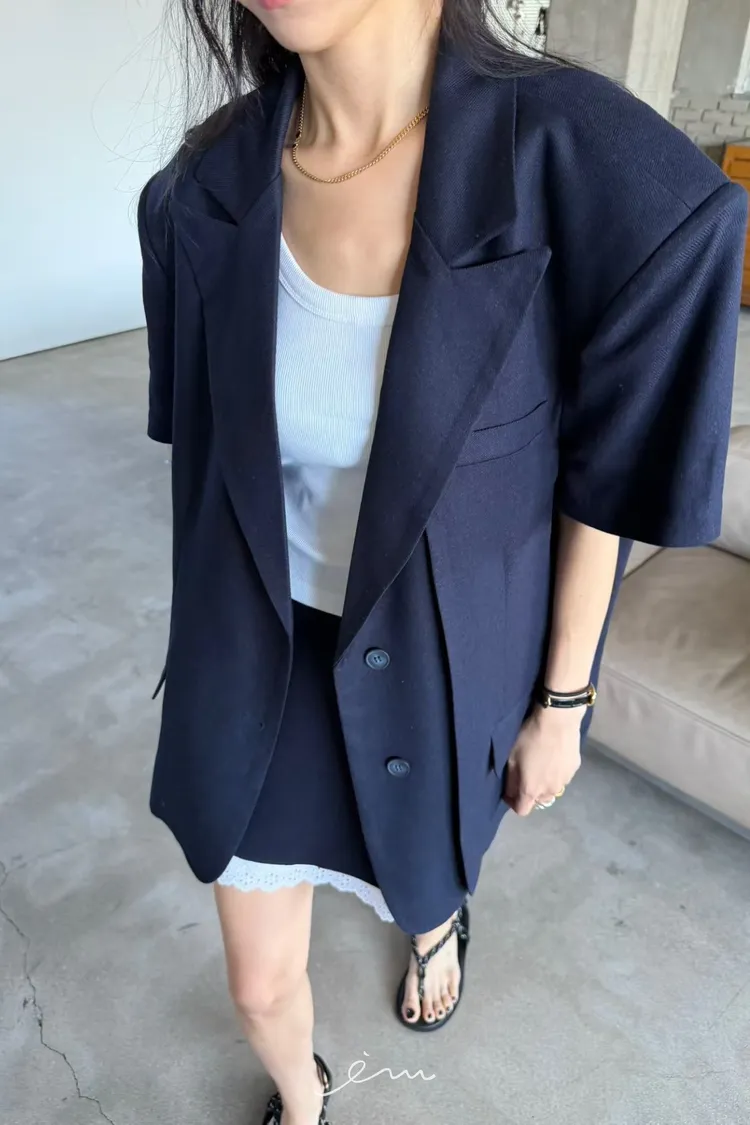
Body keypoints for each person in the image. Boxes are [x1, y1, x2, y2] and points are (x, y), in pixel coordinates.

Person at [137, 0, 746, 1122]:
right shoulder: (200, 190)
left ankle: (434, 926)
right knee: (258, 982)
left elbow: (603, 481)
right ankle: (305, 1100)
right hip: (258, 651)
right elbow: (202, 469)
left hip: (443, 655)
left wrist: (565, 701)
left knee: (422, 868)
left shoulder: (588, 166)